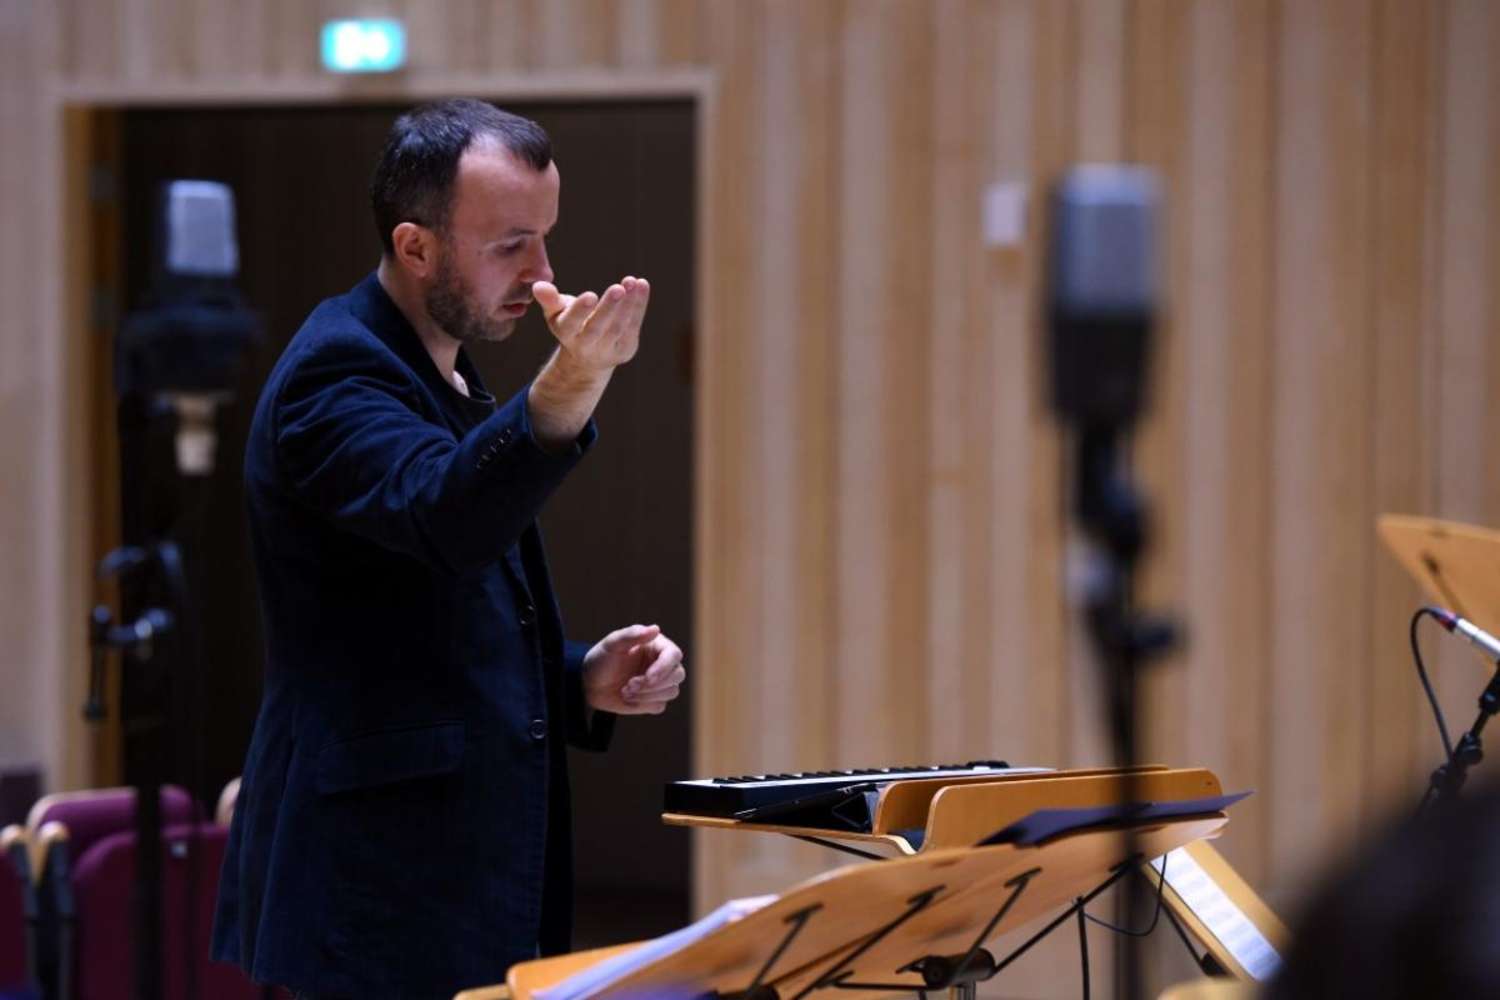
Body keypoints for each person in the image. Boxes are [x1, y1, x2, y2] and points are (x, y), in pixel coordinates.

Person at [211, 98, 686, 999]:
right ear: (415, 246)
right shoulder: (335, 372)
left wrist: (576, 674)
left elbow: (430, 619)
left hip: (444, 877)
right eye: (510, 243)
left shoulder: (447, 367)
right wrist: (569, 386)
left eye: (545, 238)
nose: (543, 271)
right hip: (374, 891)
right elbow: (445, 517)